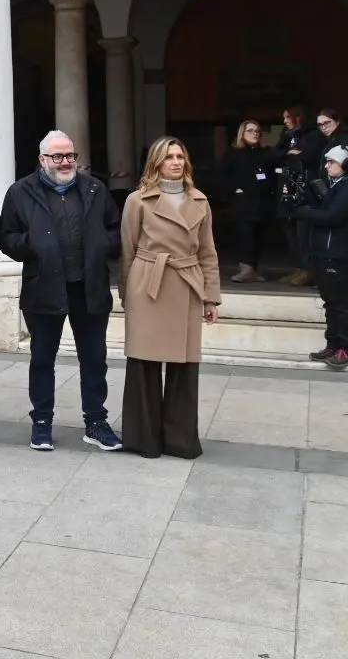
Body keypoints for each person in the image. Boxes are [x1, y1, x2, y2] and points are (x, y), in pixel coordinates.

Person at [0, 131, 122, 453]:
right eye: (58, 156)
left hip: (89, 287)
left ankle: (96, 421)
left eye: (70, 156)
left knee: (94, 358)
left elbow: (116, 228)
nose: (66, 162)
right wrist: (33, 245)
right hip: (44, 287)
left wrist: (102, 245)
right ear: (42, 160)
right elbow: (6, 236)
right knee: (42, 359)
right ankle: (42, 422)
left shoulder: (95, 188)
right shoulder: (20, 191)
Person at [120, 136, 221, 459]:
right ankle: (143, 439)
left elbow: (208, 252)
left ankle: (181, 440)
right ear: (156, 163)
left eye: (180, 156)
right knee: (144, 365)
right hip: (148, 284)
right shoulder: (137, 200)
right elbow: (128, 251)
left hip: (187, 284)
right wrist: (127, 295)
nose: (176, 162)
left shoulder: (200, 201)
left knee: (184, 367)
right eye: (169, 157)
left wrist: (211, 297)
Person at [293, 144, 348, 370]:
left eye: (331, 162)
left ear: (346, 165)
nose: (326, 165)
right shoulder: (339, 185)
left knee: (340, 302)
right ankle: (333, 344)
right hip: (326, 251)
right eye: (326, 161)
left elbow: (333, 216)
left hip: (337, 252)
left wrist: (303, 212)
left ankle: (347, 348)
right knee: (330, 301)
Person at [219, 120, 279, 284]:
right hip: (243, 204)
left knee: (259, 237)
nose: (255, 133)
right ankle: (245, 269)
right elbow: (223, 176)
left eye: (257, 131)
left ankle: (253, 269)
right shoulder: (232, 154)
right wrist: (234, 190)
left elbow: (276, 172)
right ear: (242, 134)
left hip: (263, 203)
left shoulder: (267, 153)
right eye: (250, 130)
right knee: (245, 237)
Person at [277, 106, 326, 287]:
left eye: (288, 117)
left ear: (298, 117)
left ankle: (308, 270)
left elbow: (311, 157)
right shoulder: (287, 136)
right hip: (287, 189)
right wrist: (289, 153)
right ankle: (298, 267)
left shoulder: (313, 135)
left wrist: (298, 155)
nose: (285, 121)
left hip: (305, 191)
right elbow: (275, 155)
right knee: (290, 231)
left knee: (304, 232)